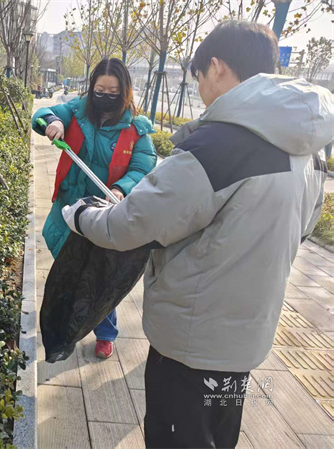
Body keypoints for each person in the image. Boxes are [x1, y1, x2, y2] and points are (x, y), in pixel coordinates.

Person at [61, 21, 333, 448]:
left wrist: (80, 216)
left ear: (217, 67)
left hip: (191, 342)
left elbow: (132, 224)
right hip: (247, 338)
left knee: (177, 437)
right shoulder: (310, 148)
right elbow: (304, 228)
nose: (202, 88)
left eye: (200, 76)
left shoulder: (220, 147)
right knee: (218, 435)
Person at [32, 58, 157, 359]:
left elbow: (143, 166)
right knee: (70, 272)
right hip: (69, 210)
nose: (105, 97)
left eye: (113, 92)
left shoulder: (136, 129)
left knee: (98, 277)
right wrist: (53, 122)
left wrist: (120, 189)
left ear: (124, 91)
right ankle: (67, 327)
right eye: (100, 90)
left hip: (103, 214)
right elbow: (42, 115)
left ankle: (104, 332)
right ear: (92, 88)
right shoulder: (77, 111)